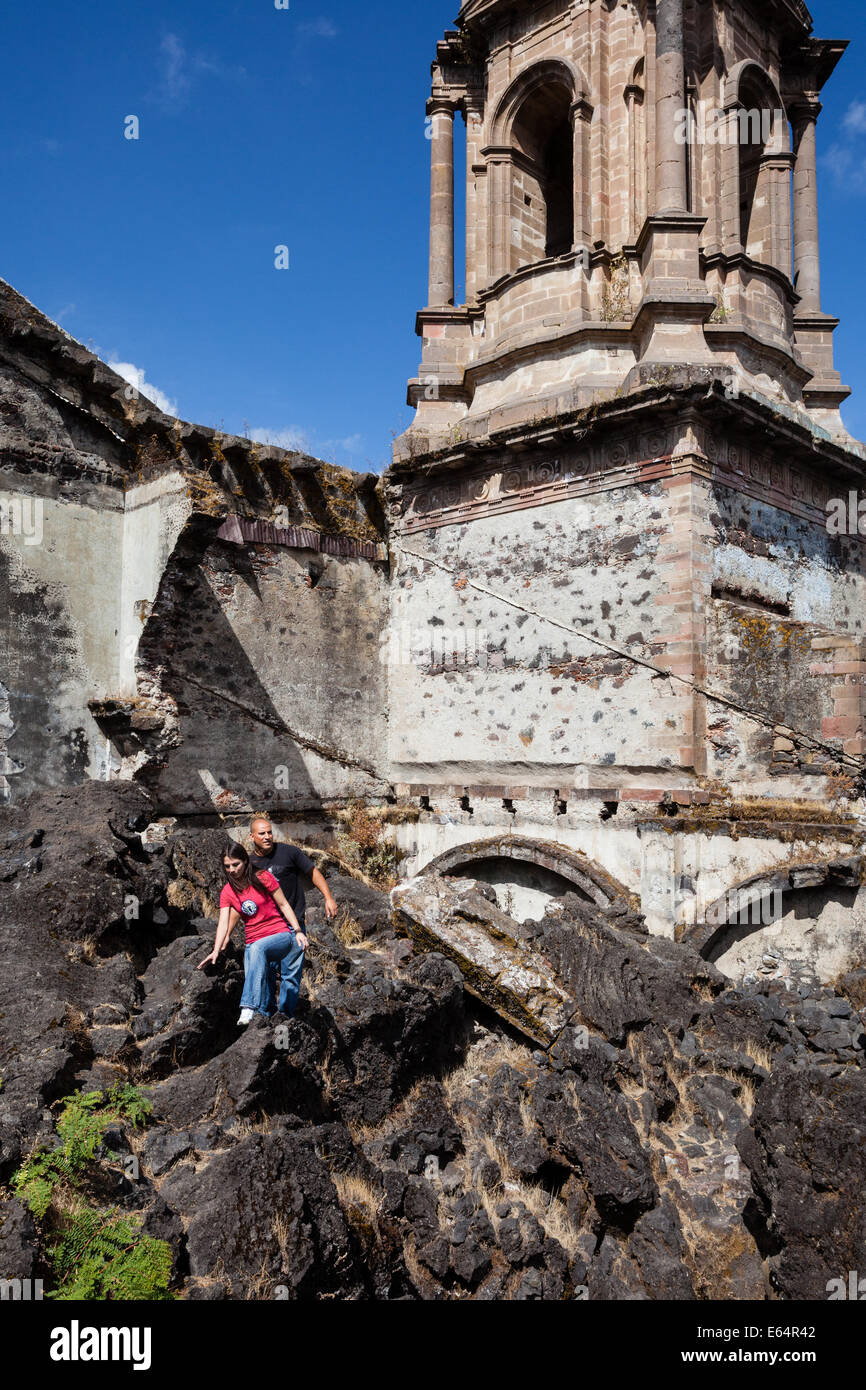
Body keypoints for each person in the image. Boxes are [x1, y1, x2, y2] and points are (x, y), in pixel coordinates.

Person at [198, 841, 308, 1026]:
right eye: (227, 866)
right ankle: (264, 1020)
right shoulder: (227, 891)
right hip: (254, 942)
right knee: (257, 974)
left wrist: (297, 931)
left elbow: (284, 904)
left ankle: (247, 1006)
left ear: (245, 861)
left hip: (280, 936)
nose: (232, 870)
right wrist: (216, 950)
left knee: (256, 949)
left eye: (236, 864)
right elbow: (223, 922)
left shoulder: (263, 877)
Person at [248, 815, 338, 928]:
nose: (267, 837)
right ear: (251, 837)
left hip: (294, 922)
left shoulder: (289, 852)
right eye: (262, 833)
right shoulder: (249, 863)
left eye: (269, 832)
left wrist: (328, 898)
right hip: (268, 926)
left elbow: (313, 873)